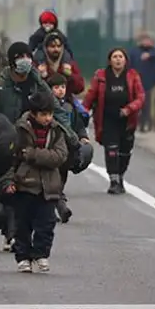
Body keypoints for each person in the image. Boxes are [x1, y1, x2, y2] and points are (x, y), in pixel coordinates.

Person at [0, 41, 77, 251]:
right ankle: (8, 230)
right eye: (20, 57)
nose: (25, 61)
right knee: (7, 191)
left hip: (34, 145)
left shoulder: (38, 84)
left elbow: (56, 111)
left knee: (28, 191)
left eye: (27, 56)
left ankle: (21, 235)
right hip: (6, 143)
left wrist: (73, 137)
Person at [6, 91, 68, 273]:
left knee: (47, 224)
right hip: (25, 184)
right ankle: (23, 257)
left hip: (49, 186)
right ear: (33, 114)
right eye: (43, 114)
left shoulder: (57, 131)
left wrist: (32, 155)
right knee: (23, 225)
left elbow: (60, 156)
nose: (47, 118)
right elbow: (13, 158)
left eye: (50, 114)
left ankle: (41, 254)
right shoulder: (20, 131)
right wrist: (9, 180)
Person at [83, 48, 145, 194]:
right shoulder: (101, 76)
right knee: (111, 149)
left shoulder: (132, 76)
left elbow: (140, 97)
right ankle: (114, 180)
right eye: (115, 57)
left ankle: (121, 176)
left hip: (127, 120)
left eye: (120, 57)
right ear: (110, 60)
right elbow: (91, 95)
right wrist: (83, 110)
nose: (118, 59)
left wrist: (129, 109)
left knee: (124, 151)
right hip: (107, 119)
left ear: (125, 60)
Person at [47, 74, 90, 223]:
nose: (60, 90)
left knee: (61, 178)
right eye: (56, 87)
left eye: (63, 87)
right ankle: (60, 207)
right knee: (53, 180)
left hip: (68, 148)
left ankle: (58, 204)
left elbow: (78, 124)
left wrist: (83, 136)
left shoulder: (70, 106)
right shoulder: (46, 106)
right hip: (51, 148)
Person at [128, 32, 155, 132]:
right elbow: (130, 64)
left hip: (151, 81)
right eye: (145, 40)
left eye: (149, 40)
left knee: (148, 103)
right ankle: (140, 123)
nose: (147, 42)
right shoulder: (134, 51)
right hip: (138, 80)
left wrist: (150, 55)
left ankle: (149, 124)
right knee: (140, 103)